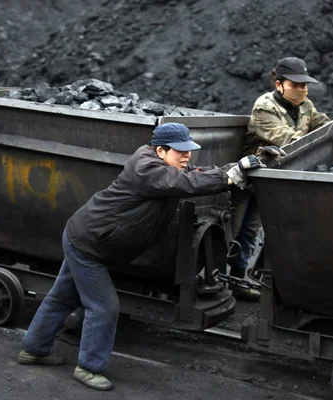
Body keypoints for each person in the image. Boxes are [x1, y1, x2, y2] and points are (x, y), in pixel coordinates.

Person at [16, 122, 264, 391]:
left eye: (188, 150)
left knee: (62, 297)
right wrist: (231, 176)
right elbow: (185, 182)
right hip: (89, 246)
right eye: (180, 151)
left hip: (91, 239)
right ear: (160, 150)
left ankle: (33, 350)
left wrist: (243, 165)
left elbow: (197, 173)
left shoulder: (167, 166)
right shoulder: (146, 169)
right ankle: (88, 367)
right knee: (104, 307)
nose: (187, 156)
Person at [229, 57, 330, 301]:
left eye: (304, 85)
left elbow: (322, 124)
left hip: (270, 181)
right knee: (232, 230)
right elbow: (289, 140)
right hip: (247, 178)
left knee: (251, 231)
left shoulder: (306, 105)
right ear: (279, 85)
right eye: (296, 85)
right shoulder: (264, 108)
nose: (302, 90)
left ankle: (237, 280)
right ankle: (212, 276)